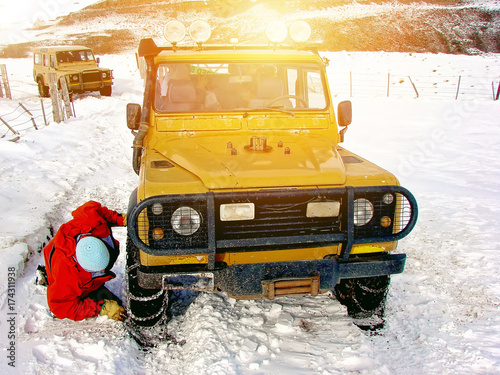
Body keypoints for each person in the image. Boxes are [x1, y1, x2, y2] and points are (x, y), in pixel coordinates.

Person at [42, 201, 127, 322]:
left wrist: (119, 219)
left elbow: (94, 209)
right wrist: (102, 308)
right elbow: (60, 307)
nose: (103, 271)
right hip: (58, 265)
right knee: (114, 304)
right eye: (98, 271)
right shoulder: (67, 276)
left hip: (73, 250)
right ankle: (88, 293)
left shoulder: (92, 223)